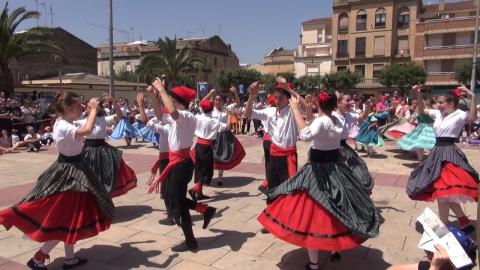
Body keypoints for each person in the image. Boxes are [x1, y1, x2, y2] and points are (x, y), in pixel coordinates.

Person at [258, 91, 379, 270]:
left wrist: (295, 109)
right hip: (335, 169)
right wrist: (305, 108)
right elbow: (313, 123)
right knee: (335, 210)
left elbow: (306, 134)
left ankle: (314, 264)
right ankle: (334, 249)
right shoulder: (336, 120)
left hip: (317, 171)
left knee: (314, 217)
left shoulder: (323, 121)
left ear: (320, 105)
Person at [0, 92, 113, 270]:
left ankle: (69, 259)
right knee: (65, 219)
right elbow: (87, 130)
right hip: (70, 174)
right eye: (78, 107)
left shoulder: (65, 122)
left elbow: (87, 125)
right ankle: (38, 259)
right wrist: (92, 110)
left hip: (74, 169)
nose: (81, 109)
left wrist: (94, 110)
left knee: (70, 218)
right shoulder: (64, 127)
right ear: (68, 108)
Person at [147, 79, 217, 252]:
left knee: (176, 200)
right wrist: (154, 97)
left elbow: (172, 112)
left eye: (171, 99)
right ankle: (204, 211)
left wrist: (162, 90)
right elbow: (159, 115)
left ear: (177, 102)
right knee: (173, 198)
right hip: (176, 163)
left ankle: (191, 241)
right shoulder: (178, 118)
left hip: (181, 164)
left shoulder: (185, 116)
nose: (169, 102)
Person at [407, 85, 478, 231]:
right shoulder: (437, 114)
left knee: (443, 193)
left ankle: (443, 229)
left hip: (450, 154)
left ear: (451, 103)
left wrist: (473, 97)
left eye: (441, 102)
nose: (437, 105)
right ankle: (464, 222)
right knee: (445, 193)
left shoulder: (459, 114)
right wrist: (419, 95)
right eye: (438, 102)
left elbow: (473, 118)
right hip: (437, 152)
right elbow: (421, 110)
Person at [74, 95, 137, 198]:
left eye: (96, 106)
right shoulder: (81, 122)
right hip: (88, 151)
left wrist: (115, 103)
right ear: (86, 109)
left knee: (106, 177)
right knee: (91, 178)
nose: (94, 109)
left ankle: (104, 200)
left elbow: (120, 117)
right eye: (90, 107)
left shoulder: (102, 119)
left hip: (103, 150)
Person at [141, 89, 173, 225]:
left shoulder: (167, 125)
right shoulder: (179, 120)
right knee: (173, 189)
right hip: (178, 158)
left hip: (167, 159)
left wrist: (141, 105)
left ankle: (171, 216)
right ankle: (175, 213)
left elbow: (145, 120)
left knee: (167, 189)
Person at [333, 93, 374, 194]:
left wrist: (368, 105)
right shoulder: (332, 116)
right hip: (333, 148)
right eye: (347, 100)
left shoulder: (349, 115)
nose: (350, 102)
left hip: (344, 147)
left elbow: (362, 118)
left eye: (350, 100)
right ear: (338, 103)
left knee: (359, 168)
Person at [189, 98, 230, 200]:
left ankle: (199, 192)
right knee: (206, 170)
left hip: (198, 145)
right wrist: (229, 116)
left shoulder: (197, 117)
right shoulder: (213, 121)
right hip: (206, 147)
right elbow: (228, 127)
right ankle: (195, 189)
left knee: (199, 169)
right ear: (212, 109)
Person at [258, 94, 276, 194]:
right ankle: (267, 184)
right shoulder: (277, 111)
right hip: (273, 141)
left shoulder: (265, 110)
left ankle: (267, 183)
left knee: (268, 163)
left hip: (265, 140)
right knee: (274, 164)